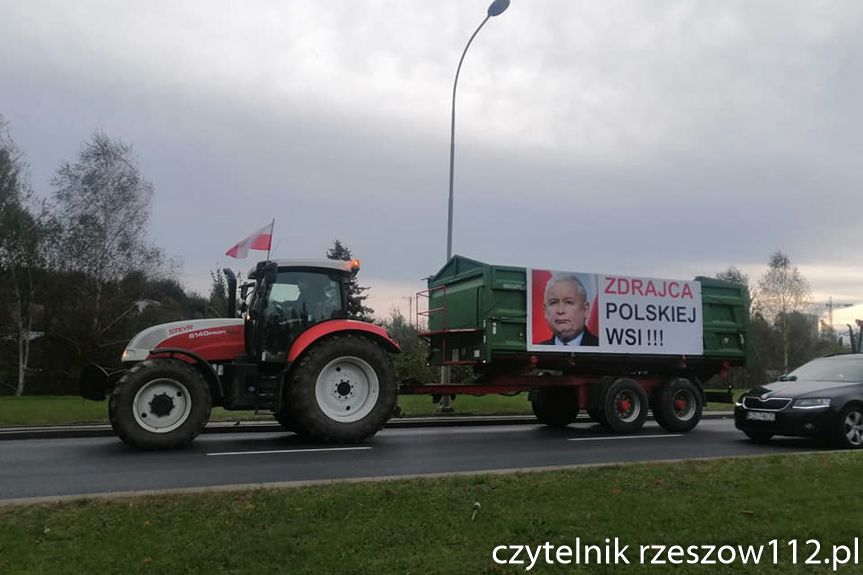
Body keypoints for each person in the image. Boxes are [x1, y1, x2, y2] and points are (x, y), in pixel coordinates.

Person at [539, 273, 599, 346]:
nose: (560, 311)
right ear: (545, 311)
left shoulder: (600, 347)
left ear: (585, 310)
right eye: (554, 302)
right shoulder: (538, 351)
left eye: (568, 302)